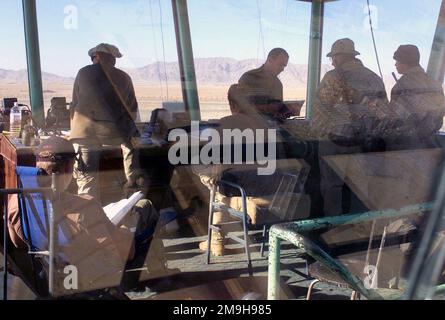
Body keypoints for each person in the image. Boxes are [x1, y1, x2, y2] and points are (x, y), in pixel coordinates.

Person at [7, 136, 138, 294]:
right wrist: (125, 229)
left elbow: (17, 244)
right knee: (143, 212)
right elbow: (126, 253)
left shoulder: (17, 202)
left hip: (44, 281)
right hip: (86, 284)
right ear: (69, 169)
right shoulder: (87, 206)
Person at [314, 38, 388, 216]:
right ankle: (358, 228)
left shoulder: (333, 77)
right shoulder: (374, 78)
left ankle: (332, 230)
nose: (332, 61)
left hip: (334, 142)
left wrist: (318, 133)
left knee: (332, 187)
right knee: (360, 188)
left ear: (340, 57)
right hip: (362, 143)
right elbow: (383, 112)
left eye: (333, 57)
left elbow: (319, 111)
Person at [70, 43, 144, 201]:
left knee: (87, 179)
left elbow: (74, 104)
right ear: (113, 59)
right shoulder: (124, 77)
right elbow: (132, 109)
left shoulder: (83, 73)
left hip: (85, 133)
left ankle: (88, 216)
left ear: (97, 57)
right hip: (115, 133)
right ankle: (131, 192)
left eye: (93, 58)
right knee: (131, 148)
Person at [389, 44, 445, 150]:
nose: (395, 64)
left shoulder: (402, 85)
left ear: (404, 62)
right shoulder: (435, 85)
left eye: (397, 61)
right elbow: (440, 116)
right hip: (428, 148)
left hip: (405, 149)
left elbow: (394, 120)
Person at [239, 48, 297, 118]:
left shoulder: (278, 84)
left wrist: (286, 111)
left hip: (270, 126)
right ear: (270, 60)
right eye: (280, 64)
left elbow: (278, 111)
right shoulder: (249, 78)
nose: (282, 69)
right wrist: (267, 108)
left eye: (284, 66)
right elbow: (240, 106)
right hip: (250, 125)